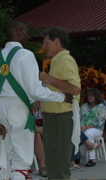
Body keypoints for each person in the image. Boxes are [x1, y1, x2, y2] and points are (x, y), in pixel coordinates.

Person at [0, 20, 71, 180]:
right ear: (17, 32)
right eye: (25, 32)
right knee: (21, 162)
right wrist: (62, 97)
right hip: (19, 109)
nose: (28, 36)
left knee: (3, 158)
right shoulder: (26, 55)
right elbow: (34, 90)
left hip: (1, 107)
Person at [39, 26, 81, 179]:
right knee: (53, 164)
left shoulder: (66, 60)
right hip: (53, 118)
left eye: (45, 43)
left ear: (57, 42)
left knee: (60, 166)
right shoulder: (57, 61)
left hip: (61, 118)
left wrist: (48, 79)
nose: (43, 47)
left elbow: (75, 89)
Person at [80, 88, 106, 167]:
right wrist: (79, 126)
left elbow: (100, 122)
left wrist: (87, 127)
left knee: (88, 133)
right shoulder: (84, 106)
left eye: (92, 95)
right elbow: (78, 117)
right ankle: (76, 156)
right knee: (73, 131)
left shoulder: (102, 107)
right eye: (88, 96)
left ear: (96, 97)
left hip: (96, 129)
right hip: (82, 128)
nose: (89, 97)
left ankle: (92, 159)